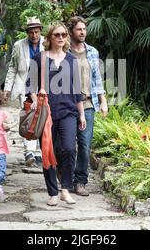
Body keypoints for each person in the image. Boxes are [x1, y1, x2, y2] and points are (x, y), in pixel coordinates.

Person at [26, 22, 86, 206]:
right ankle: (53, 192)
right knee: (48, 152)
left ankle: (65, 190)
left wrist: (81, 114)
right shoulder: (39, 58)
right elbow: (30, 85)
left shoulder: (71, 60)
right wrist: (35, 100)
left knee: (69, 149)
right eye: (57, 35)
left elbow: (77, 90)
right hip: (46, 113)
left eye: (64, 35)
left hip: (68, 112)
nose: (61, 38)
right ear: (50, 37)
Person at [67, 16, 108, 197]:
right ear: (71, 31)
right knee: (66, 146)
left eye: (84, 29)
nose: (82, 32)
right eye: (79, 29)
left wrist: (103, 100)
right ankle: (65, 178)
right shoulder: (64, 51)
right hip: (67, 104)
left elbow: (97, 78)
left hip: (88, 103)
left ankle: (80, 181)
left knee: (84, 144)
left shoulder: (92, 51)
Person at [4, 17, 44, 166]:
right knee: (29, 118)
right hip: (24, 87)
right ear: (27, 32)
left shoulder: (47, 44)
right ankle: (29, 152)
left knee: (42, 118)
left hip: (43, 87)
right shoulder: (19, 45)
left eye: (36, 32)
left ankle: (41, 151)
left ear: (40, 31)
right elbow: (12, 67)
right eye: (31, 32)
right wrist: (7, 88)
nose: (34, 35)